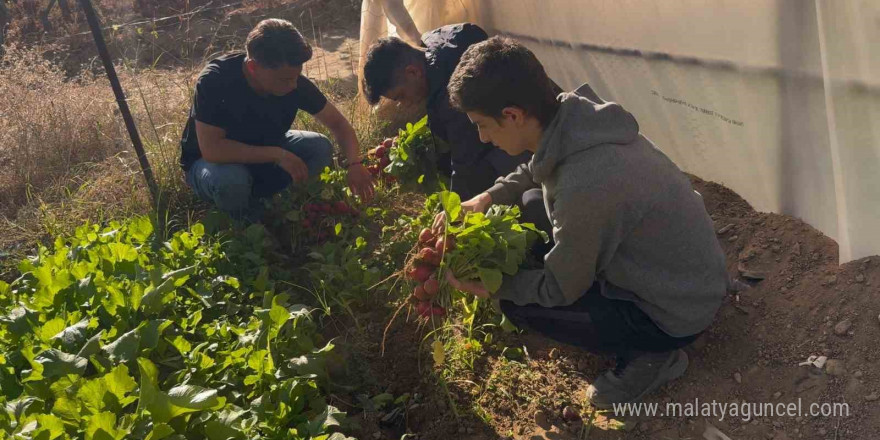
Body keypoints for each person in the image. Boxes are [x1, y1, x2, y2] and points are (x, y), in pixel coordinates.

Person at [436, 36, 728, 408]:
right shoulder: (575, 116)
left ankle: (655, 356)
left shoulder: (585, 184)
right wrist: (486, 198)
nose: (481, 137)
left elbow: (559, 290)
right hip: (688, 271)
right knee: (529, 201)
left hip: (676, 310)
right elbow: (537, 166)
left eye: (482, 125)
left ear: (512, 115)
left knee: (519, 303)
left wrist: (494, 287)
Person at [180, 18, 374, 218]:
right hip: (213, 164)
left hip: (266, 147)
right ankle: (246, 228)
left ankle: (287, 207)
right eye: (285, 79)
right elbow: (213, 150)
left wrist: (354, 164)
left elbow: (338, 124)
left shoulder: (292, 80)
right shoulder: (215, 81)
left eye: (296, 76)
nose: (293, 85)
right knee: (231, 180)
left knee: (319, 147)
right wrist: (277, 154)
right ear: (254, 67)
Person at [361, 24, 539, 206]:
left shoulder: (453, 96)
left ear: (413, 72)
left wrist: (454, 212)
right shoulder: (436, 41)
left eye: (401, 96)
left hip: (527, 147)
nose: (404, 104)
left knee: (489, 175)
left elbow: (466, 164)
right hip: (526, 121)